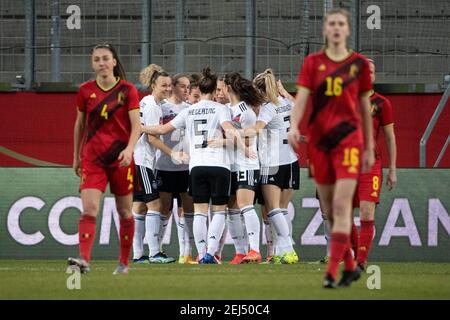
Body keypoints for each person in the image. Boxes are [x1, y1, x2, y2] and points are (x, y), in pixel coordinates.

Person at [289, 8, 374, 288]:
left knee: (340, 204)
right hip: (321, 143)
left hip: (349, 142)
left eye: (341, 24)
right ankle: (350, 266)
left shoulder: (359, 65)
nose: (336, 28)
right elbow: (301, 100)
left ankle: (332, 271)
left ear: (348, 30)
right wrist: (294, 126)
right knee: (329, 209)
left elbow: (364, 109)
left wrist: (369, 147)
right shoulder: (312, 63)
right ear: (325, 29)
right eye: (332, 23)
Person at [142, 67, 251, 264]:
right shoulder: (221, 108)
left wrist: (139, 127)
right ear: (213, 89)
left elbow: (162, 129)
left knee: (200, 211)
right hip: (219, 165)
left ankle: (201, 254)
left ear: (199, 90)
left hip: (196, 165)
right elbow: (230, 130)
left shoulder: (189, 110)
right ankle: (210, 252)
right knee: (218, 210)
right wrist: (244, 147)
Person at [68, 43, 141, 275]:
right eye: (97, 59)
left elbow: (136, 126)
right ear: (93, 64)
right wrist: (76, 157)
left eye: (105, 59)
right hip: (93, 159)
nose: (101, 63)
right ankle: (84, 260)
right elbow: (79, 125)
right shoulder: (84, 91)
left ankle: (123, 264)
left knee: (125, 212)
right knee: (89, 209)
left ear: (114, 62)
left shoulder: (128, 90)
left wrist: (129, 149)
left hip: (121, 159)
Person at [247, 68, 299, 264]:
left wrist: (235, 134)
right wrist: (285, 92)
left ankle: (288, 249)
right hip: (292, 160)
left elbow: (256, 129)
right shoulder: (286, 103)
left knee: (273, 209)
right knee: (283, 210)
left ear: (260, 91)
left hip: (273, 163)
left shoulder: (268, 108)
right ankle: (279, 252)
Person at [132, 64, 181, 264]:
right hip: (143, 160)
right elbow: (153, 138)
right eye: (164, 85)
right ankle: (154, 253)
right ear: (153, 85)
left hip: (140, 159)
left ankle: (137, 255)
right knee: (155, 204)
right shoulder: (152, 105)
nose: (168, 89)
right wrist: (172, 153)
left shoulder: (147, 102)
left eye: (169, 85)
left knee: (140, 207)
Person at [214, 72, 265, 264]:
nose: (219, 92)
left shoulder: (246, 112)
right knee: (231, 210)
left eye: (221, 88)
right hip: (230, 166)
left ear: (228, 88)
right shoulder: (226, 109)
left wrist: (219, 142)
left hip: (246, 164)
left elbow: (248, 142)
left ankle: (254, 249)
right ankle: (240, 252)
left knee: (245, 205)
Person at [353, 58, 397, 270]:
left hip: (371, 166)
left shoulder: (381, 103)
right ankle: (355, 254)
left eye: (372, 71)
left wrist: (392, 169)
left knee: (367, 213)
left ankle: (361, 261)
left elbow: (390, 137)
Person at [154, 73, 196, 264]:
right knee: (164, 209)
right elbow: (154, 132)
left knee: (187, 210)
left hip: (186, 167)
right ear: (173, 87)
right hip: (164, 165)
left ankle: (185, 253)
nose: (186, 90)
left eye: (188, 87)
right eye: (183, 86)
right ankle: (158, 249)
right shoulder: (162, 108)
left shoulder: (191, 109)